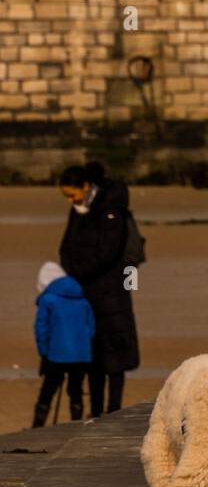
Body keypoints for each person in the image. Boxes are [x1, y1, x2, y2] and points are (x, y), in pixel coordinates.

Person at [58, 161, 140, 416]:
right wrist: (71, 273)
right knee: (92, 356)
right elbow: (66, 246)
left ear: (85, 186)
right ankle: (95, 412)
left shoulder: (112, 210)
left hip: (112, 292)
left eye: (72, 194)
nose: (70, 200)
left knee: (115, 356)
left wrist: (78, 273)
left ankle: (112, 410)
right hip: (86, 293)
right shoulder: (79, 210)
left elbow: (109, 252)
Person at [32, 261, 95, 426]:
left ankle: (37, 427)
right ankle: (76, 426)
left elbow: (41, 330)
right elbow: (90, 329)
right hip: (81, 355)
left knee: (48, 391)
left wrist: (44, 353)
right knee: (76, 392)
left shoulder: (47, 300)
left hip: (57, 354)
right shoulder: (82, 300)